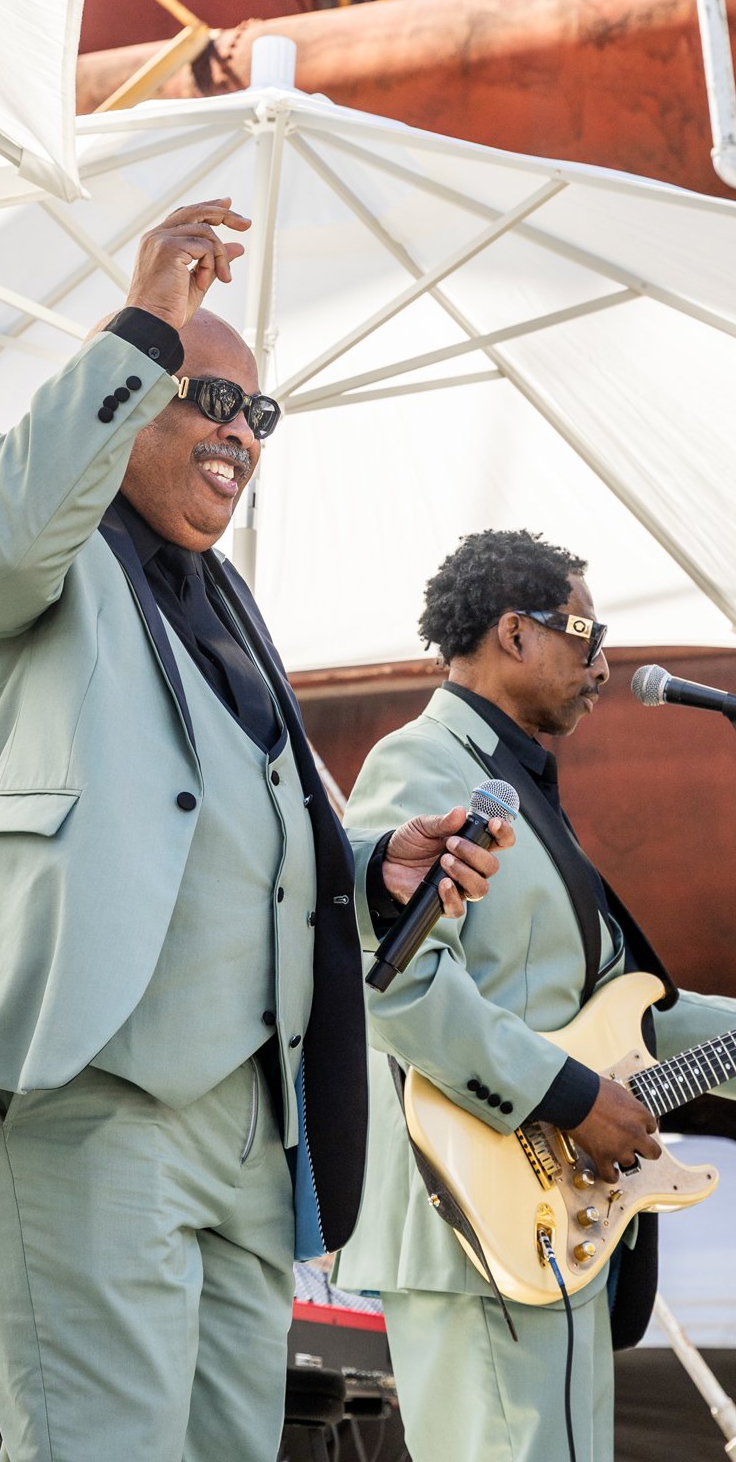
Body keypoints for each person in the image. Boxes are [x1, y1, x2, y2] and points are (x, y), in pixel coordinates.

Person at [0, 198, 512, 1462]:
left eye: (258, 412)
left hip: (247, 1125)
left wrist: (375, 870)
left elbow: (238, 829)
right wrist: (144, 321)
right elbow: (1, 539)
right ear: (126, 383)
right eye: (207, 397)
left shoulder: (232, 603)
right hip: (70, 1081)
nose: (239, 431)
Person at [337, 528, 736, 1462]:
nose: (604, 665)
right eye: (587, 634)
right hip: (475, 1213)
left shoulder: (519, 784)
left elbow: (627, 1013)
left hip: (557, 1220)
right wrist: (570, 1097)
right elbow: (397, 985)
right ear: (514, 633)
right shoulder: (420, 764)